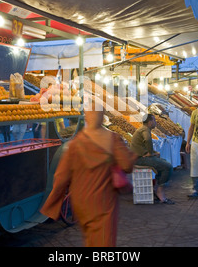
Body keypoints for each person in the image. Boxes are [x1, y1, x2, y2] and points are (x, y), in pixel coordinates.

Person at [40, 100, 137, 247]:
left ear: (86, 117)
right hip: (104, 201)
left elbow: (61, 177)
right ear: (102, 116)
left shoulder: (74, 144)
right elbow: (127, 165)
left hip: (82, 203)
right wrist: (132, 156)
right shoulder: (112, 139)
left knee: (90, 238)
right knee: (104, 241)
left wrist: (53, 202)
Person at [130, 113, 175, 204]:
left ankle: (158, 189)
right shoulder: (145, 130)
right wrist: (150, 153)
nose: (155, 122)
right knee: (168, 167)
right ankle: (160, 190)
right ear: (150, 122)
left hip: (139, 157)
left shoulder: (144, 129)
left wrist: (153, 153)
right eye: (154, 120)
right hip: (139, 159)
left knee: (164, 163)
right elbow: (147, 140)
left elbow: (144, 144)